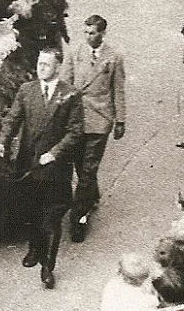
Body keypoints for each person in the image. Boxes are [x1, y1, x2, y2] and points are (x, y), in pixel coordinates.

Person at [0, 47, 84, 289]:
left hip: (55, 169)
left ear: (58, 67)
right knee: (32, 211)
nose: (40, 68)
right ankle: (34, 250)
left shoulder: (71, 95)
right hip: (29, 165)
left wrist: (54, 153)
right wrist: (1, 143)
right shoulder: (27, 90)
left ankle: (48, 266)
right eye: (39, 63)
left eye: (46, 64)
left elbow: (75, 132)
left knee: (51, 217)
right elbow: (12, 119)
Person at [58, 14, 126, 243]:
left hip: (100, 118)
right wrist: (59, 115)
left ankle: (78, 219)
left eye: (93, 33)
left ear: (103, 33)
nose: (89, 37)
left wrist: (120, 120)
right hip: (77, 118)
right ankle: (91, 195)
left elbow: (118, 90)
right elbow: (64, 85)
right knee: (81, 166)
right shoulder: (75, 53)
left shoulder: (113, 57)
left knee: (87, 170)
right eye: (86, 33)